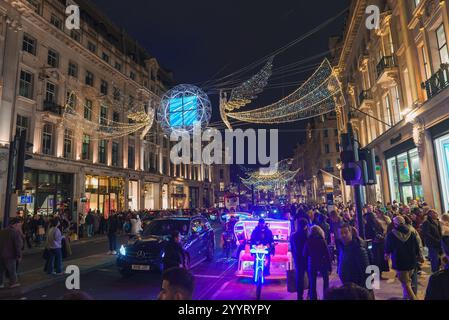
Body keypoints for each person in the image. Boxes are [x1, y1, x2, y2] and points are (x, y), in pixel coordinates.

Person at [385, 216, 421, 300]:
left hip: (400, 262)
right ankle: (406, 297)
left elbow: (388, 247)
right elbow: (416, 246)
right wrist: (418, 256)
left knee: (406, 284)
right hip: (411, 261)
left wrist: (386, 254)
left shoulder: (392, 234)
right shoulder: (411, 232)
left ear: (395, 223)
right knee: (408, 281)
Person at [303, 225, 332, 300]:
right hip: (322, 262)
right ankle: (326, 296)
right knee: (326, 281)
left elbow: (305, 254)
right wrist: (330, 266)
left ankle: (313, 297)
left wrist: (305, 265)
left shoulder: (308, 240)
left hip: (312, 262)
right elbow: (327, 253)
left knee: (312, 282)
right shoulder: (322, 240)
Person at [337, 224, 370, 288]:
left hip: (357, 287)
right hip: (348, 285)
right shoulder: (342, 247)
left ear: (350, 233)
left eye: (345, 232)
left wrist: (364, 289)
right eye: (341, 233)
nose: (343, 235)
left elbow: (366, 271)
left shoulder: (358, 248)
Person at [0, 218, 24, 289]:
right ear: (16, 224)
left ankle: (1, 283)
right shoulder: (15, 233)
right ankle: (13, 283)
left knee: (1, 270)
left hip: (1, 254)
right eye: (19, 225)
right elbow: (18, 246)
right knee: (12, 270)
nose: (20, 227)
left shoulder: (2, 231)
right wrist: (19, 256)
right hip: (10, 255)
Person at [365, 211, 389, 278]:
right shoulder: (375, 223)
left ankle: (377, 273)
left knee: (376, 259)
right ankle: (379, 273)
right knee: (378, 259)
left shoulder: (369, 224)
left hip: (375, 243)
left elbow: (368, 234)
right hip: (378, 243)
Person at [290, 218, 309, 300]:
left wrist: (294, 257)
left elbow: (292, 249)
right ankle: (310, 294)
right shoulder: (308, 235)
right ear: (305, 226)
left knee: (299, 278)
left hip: (298, 258)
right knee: (310, 277)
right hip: (307, 258)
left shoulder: (294, 236)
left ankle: (299, 296)